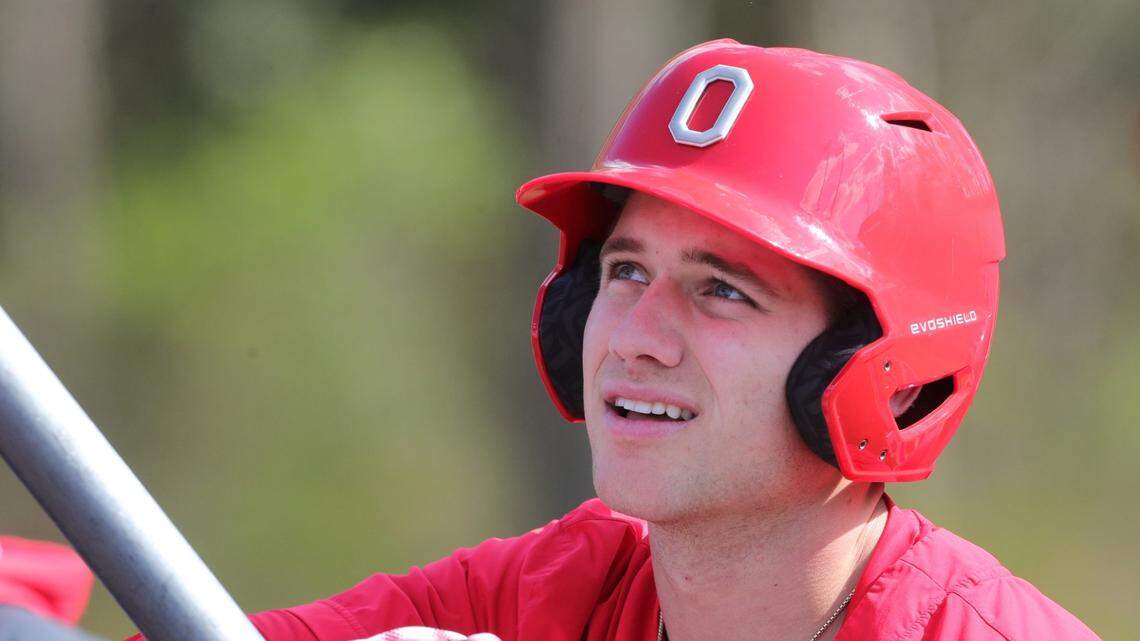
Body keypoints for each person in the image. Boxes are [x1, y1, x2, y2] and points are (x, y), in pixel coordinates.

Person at [131, 39, 1102, 641]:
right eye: (626, 270)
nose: (634, 334)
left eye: (722, 291)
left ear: (877, 375)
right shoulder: (556, 589)